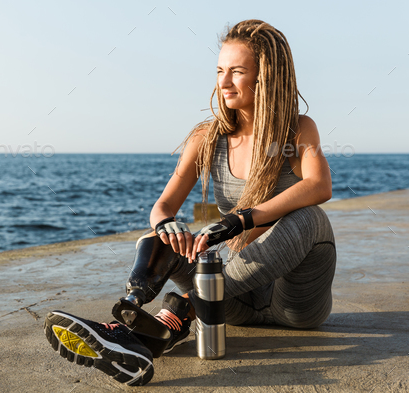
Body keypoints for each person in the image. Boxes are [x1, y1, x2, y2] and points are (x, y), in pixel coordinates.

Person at [43, 19, 337, 387]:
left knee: (310, 218)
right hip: (232, 302)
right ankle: (133, 314)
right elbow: (163, 206)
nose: (224, 82)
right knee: (162, 238)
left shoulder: (297, 130)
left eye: (237, 72)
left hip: (296, 303)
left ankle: (164, 320)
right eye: (219, 71)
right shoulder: (207, 137)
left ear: (266, 77)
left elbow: (319, 185)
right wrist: (168, 225)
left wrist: (240, 220)